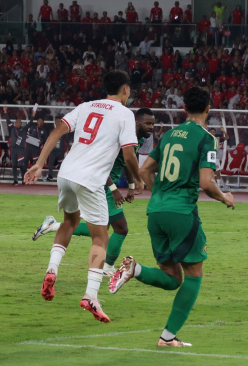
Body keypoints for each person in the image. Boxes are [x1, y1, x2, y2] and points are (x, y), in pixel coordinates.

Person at [110, 87, 235, 348]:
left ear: (184, 109)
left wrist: (160, 195)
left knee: (173, 278)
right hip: (181, 213)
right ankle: (168, 337)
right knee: (194, 275)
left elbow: (144, 170)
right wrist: (225, 197)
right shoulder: (207, 139)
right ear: (209, 110)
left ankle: (135, 269)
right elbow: (207, 183)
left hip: (156, 212)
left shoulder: (167, 136)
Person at [23, 70, 144, 323]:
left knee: (69, 222)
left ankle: (52, 270)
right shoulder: (125, 114)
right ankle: (90, 295)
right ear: (125, 90)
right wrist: (138, 181)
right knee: (101, 237)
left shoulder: (85, 106)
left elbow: (57, 131)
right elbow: (130, 156)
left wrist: (39, 164)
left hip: (66, 173)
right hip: (90, 180)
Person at [33, 108, 156, 277]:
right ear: (136, 123)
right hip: (103, 184)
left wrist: (130, 186)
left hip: (105, 184)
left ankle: (52, 225)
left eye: (153, 124)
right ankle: (107, 266)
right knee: (121, 228)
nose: (151, 127)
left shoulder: (136, 138)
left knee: (101, 228)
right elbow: (102, 164)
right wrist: (114, 190)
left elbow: (128, 161)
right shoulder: (120, 136)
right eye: (148, 123)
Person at [6, 113, 27, 186]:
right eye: (16, 122)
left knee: (21, 164)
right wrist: (6, 113)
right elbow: (8, 122)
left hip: (20, 149)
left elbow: (30, 123)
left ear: (21, 123)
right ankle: (15, 180)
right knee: (14, 165)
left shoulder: (24, 129)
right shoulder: (13, 128)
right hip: (13, 149)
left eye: (18, 122)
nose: (17, 124)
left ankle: (24, 178)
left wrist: (33, 116)